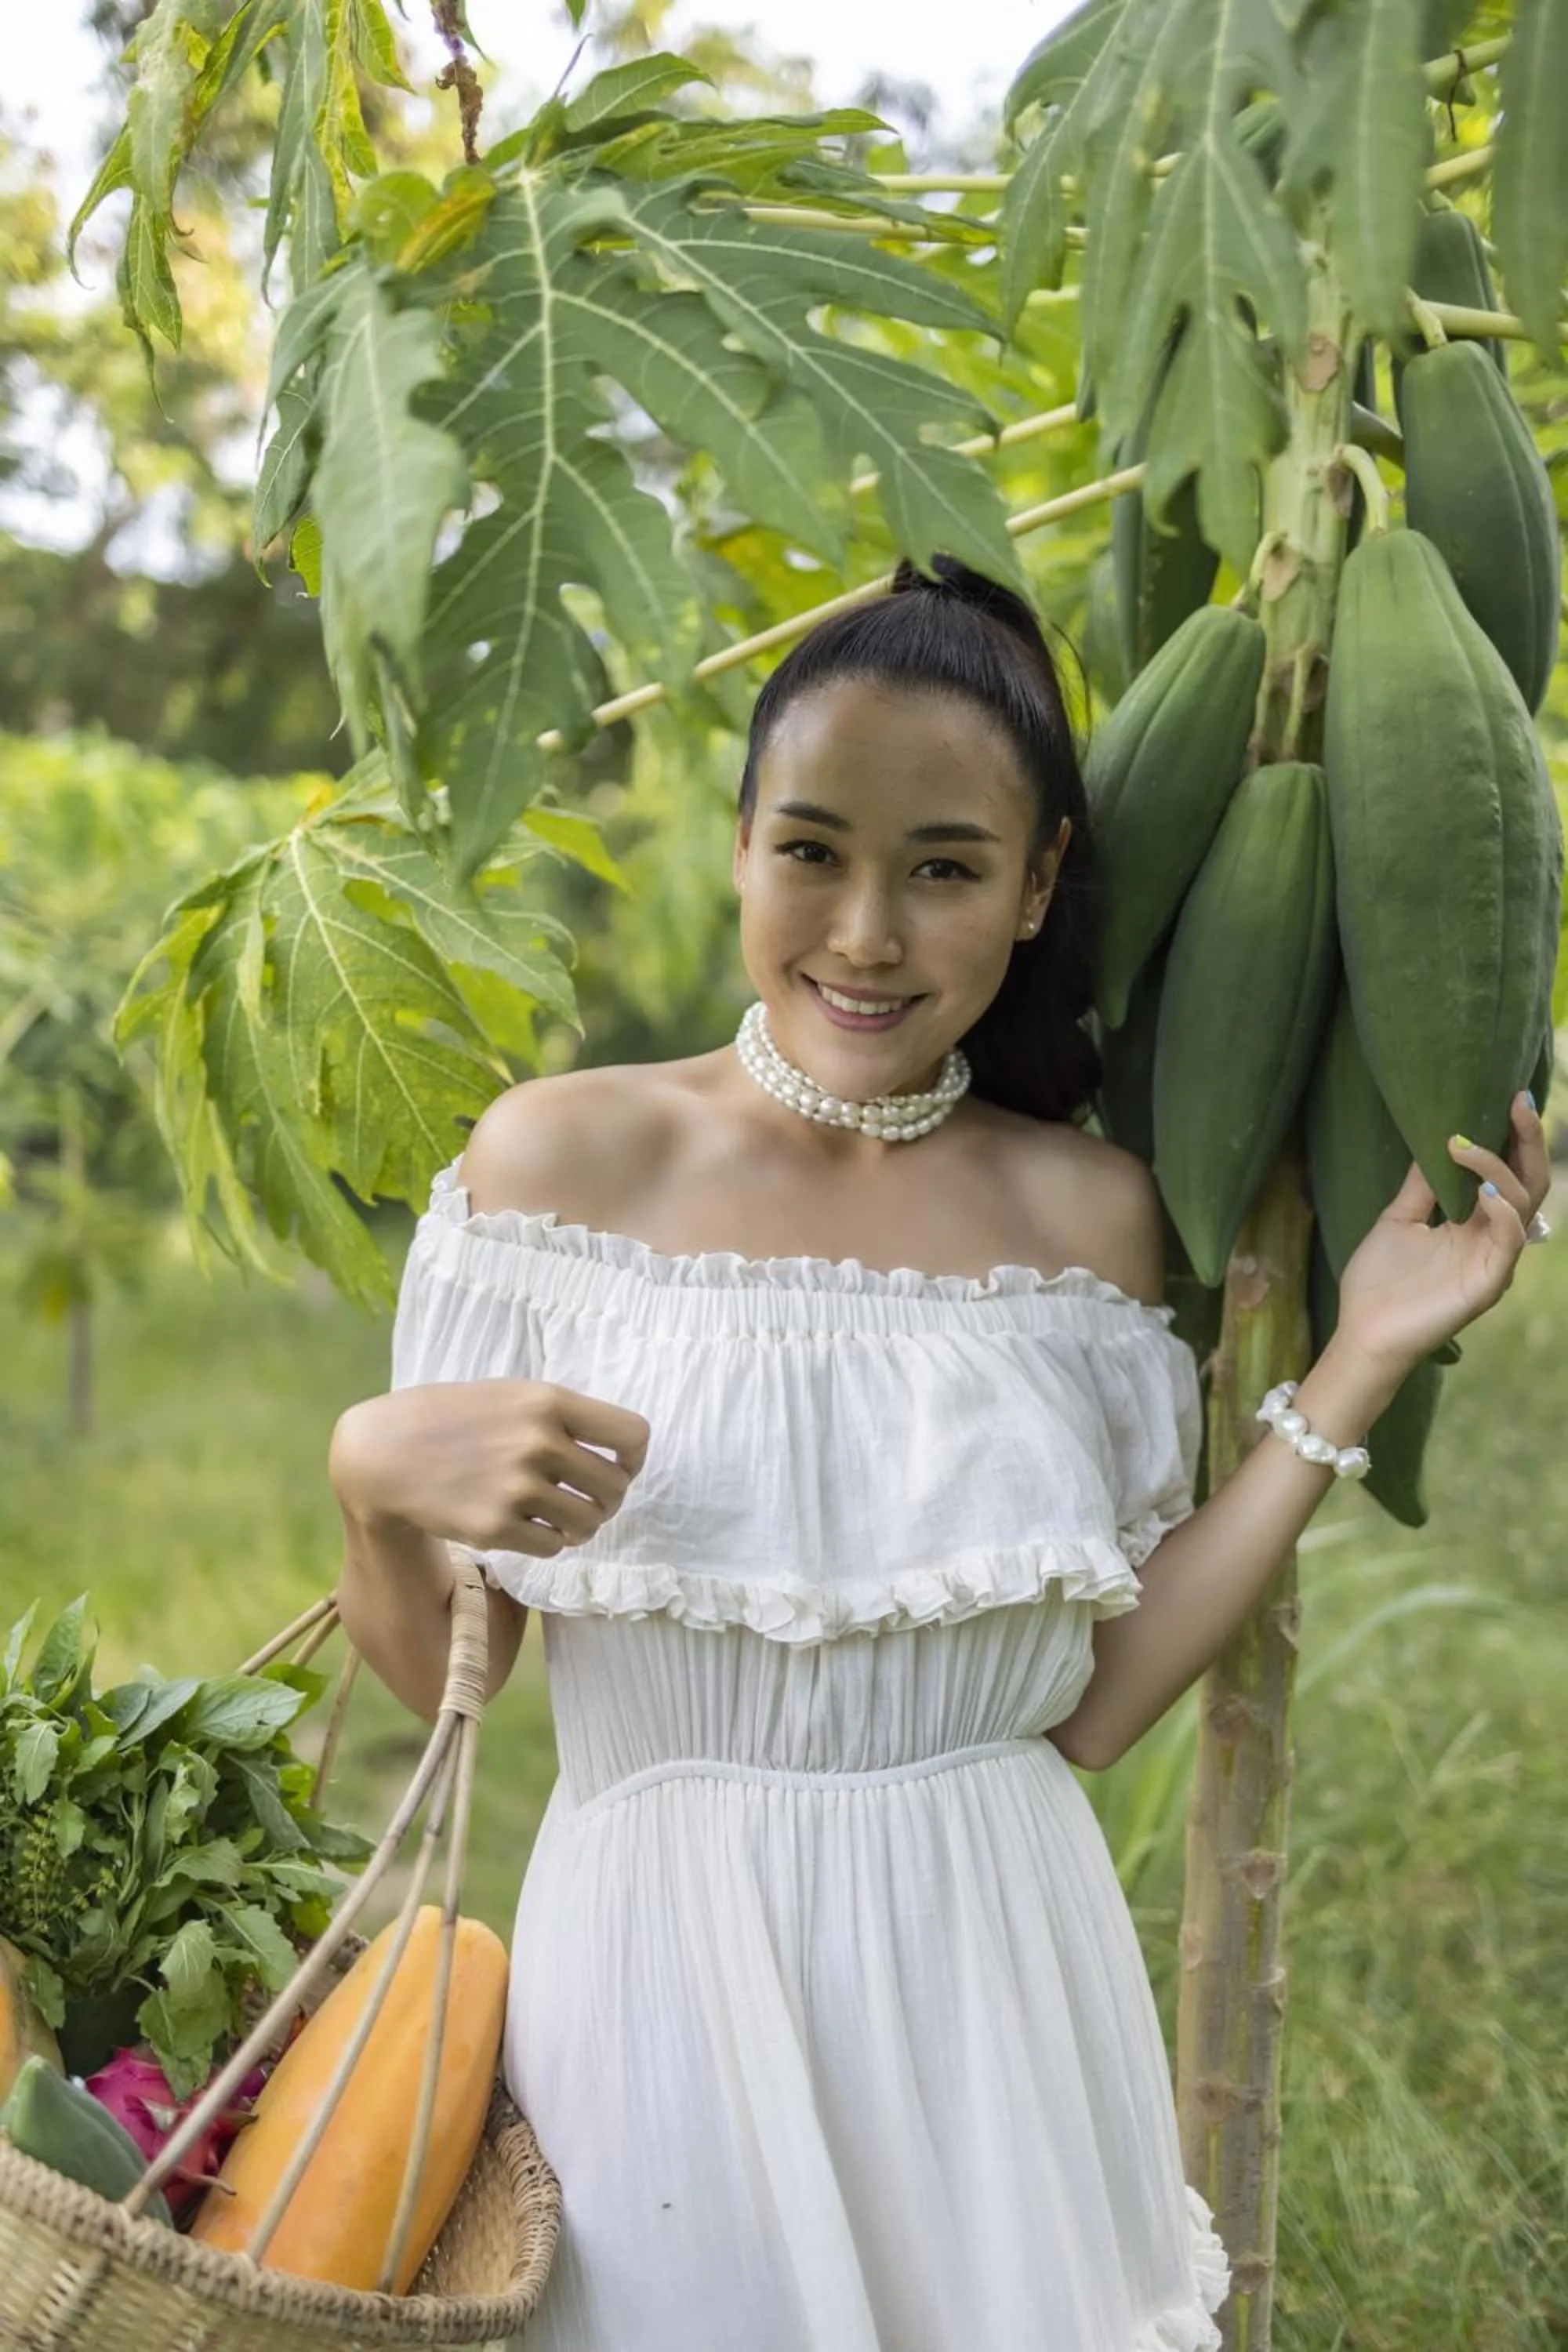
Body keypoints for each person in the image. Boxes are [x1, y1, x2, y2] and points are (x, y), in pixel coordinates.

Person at [327, 555, 1553, 2351]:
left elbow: (1094, 1700)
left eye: (946, 870)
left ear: (1040, 882)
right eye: (811, 850)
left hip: (997, 1972)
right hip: (661, 1979)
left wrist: (1358, 1358)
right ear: (741, 841)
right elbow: (464, 1667)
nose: (868, 934)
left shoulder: (1087, 1216)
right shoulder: (554, 1169)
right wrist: (371, 1479)